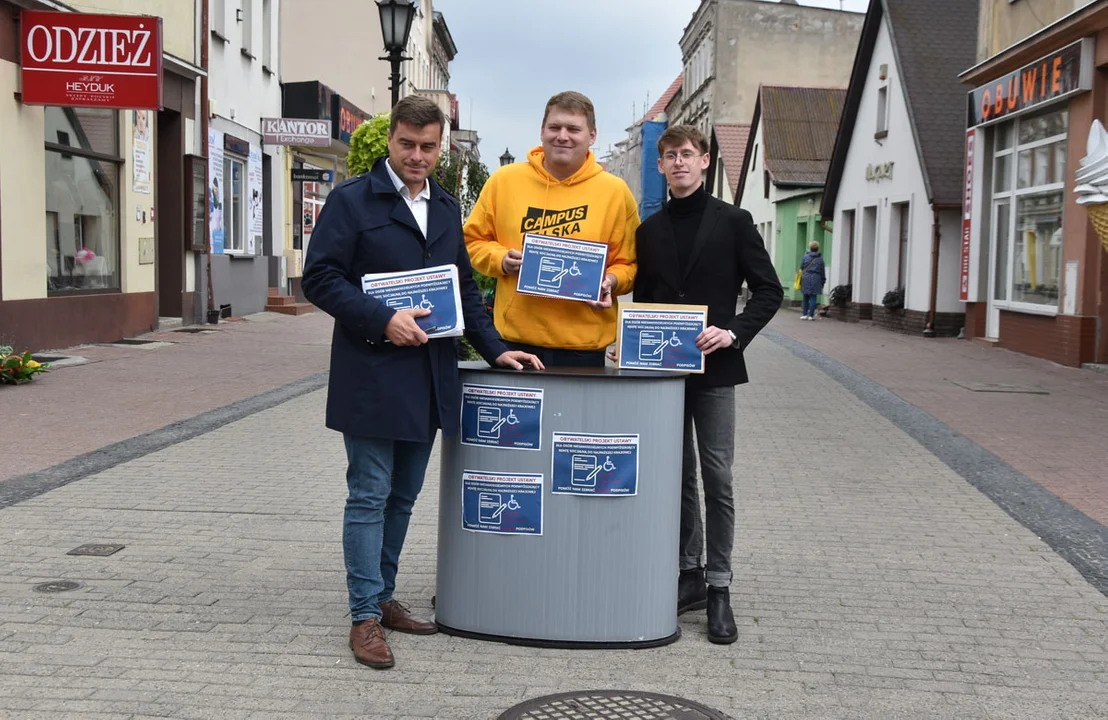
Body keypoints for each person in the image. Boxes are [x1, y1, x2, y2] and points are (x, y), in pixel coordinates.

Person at [301, 96, 543, 670]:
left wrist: (496, 348)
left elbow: (464, 291)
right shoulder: (351, 201)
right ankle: (363, 615)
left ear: (440, 145)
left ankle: (383, 597)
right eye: (407, 144)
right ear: (391, 141)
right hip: (371, 372)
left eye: (428, 146)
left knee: (404, 496)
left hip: (428, 376)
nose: (417, 156)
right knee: (369, 494)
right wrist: (381, 317)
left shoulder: (444, 207)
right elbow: (319, 279)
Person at [631, 125, 782, 644]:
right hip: (666, 372)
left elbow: (769, 290)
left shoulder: (734, 222)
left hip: (716, 369)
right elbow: (645, 304)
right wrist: (626, 345)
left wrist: (734, 331)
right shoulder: (649, 232)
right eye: (669, 156)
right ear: (660, 166)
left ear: (705, 162)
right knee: (677, 475)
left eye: (687, 155)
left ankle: (720, 586)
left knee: (717, 476)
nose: (678, 163)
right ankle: (687, 573)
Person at [464, 91, 638, 367]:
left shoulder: (615, 193)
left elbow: (629, 264)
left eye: (573, 129)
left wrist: (609, 282)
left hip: (584, 344)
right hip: (515, 340)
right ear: (542, 131)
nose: (563, 136)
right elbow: (472, 242)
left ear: (592, 136)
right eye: (554, 127)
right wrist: (501, 260)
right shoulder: (504, 182)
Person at [799, 241, 826, 320]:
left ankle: (804, 314)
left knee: (805, 296)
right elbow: (822, 271)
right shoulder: (820, 259)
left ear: (810, 248)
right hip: (816, 278)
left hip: (806, 277)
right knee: (813, 297)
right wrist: (823, 281)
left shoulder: (805, 257)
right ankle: (811, 315)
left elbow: (801, 267)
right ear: (818, 248)